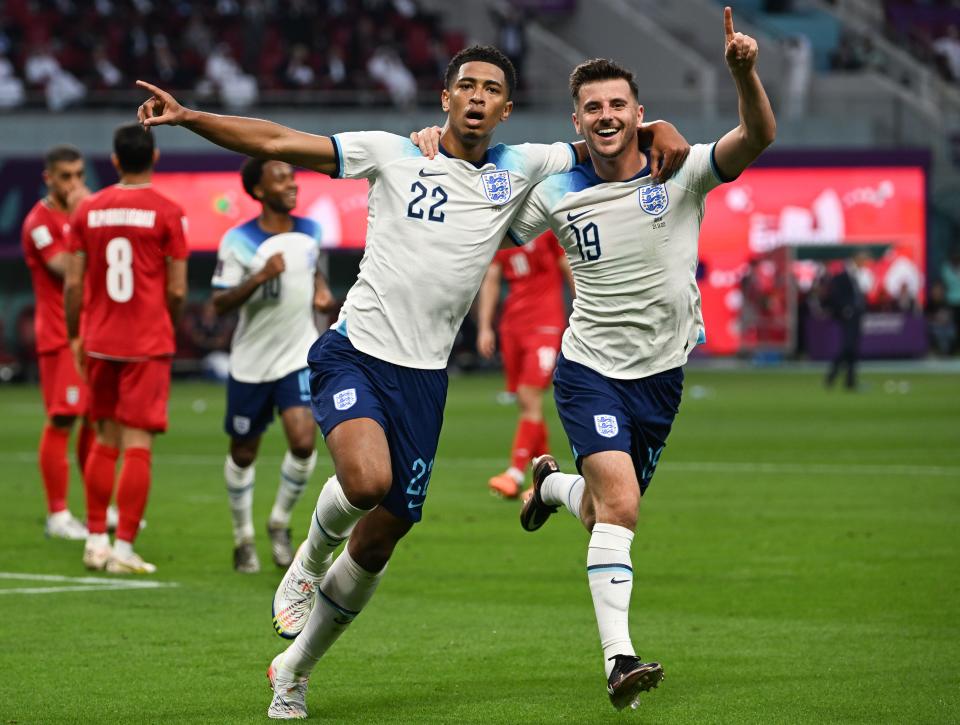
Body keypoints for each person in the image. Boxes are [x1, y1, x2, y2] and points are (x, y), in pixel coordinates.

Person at [136, 44, 689, 720]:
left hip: (426, 380)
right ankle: (307, 561)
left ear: (505, 108)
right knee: (365, 482)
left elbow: (610, 142)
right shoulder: (392, 153)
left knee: (379, 537)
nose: (478, 96)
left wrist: (659, 129)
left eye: (491, 88)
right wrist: (190, 115)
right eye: (467, 86)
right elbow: (280, 139)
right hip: (355, 352)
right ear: (445, 99)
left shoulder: (527, 165)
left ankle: (294, 670)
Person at [513, 9, 776, 710]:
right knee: (622, 508)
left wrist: (745, 76)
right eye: (593, 106)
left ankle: (546, 488)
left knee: (602, 510)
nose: (606, 115)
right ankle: (618, 660)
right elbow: (493, 222)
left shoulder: (682, 171)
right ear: (577, 118)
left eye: (618, 105)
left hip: (659, 380)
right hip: (589, 369)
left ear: (639, 113)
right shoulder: (557, 192)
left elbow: (757, 137)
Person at [64, 123, 189, 574]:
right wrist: (167, 327)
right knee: (138, 444)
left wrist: (76, 333)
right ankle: (124, 547)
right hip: (146, 342)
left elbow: (74, 282)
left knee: (103, 438)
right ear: (154, 158)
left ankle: (95, 540)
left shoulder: (87, 210)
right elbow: (177, 291)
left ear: (114, 161)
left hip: (98, 340)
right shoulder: (169, 212)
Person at [212, 157, 335, 574]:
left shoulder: (311, 230)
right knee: (243, 453)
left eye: (292, 176)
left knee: (303, 442)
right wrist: (258, 277)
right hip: (250, 363)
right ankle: (242, 537)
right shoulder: (239, 240)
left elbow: (313, 270)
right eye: (280, 178)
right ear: (259, 190)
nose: (291, 183)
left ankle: (279, 523)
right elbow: (219, 303)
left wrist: (322, 292)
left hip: (298, 355)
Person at [21, 144, 93, 540]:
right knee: (63, 418)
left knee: (95, 423)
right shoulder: (39, 221)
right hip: (60, 335)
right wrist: (86, 216)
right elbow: (64, 267)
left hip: (93, 334)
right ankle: (57, 514)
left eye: (79, 175)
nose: (74, 184)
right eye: (66, 176)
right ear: (48, 179)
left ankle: (96, 508)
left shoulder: (84, 214)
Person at [478, 230, 573, 498]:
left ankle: (515, 472)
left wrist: (584, 310)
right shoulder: (502, 231)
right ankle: (546, 477)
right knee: (526, 401)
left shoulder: (546, 229)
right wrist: (485, 327)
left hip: (546, 324)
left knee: (529, 395)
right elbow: (492, 279)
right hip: (513, 326)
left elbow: (568, 267)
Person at [824, 251, 869, 390]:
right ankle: (832, 375)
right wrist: (845, 309)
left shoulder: (856, 277)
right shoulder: (842, 277)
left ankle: (850, 381)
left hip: (856, 317)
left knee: (852, 349)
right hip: (848, 317)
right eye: (862, 260)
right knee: (848, 347)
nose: (864, 263)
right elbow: (835, 297)